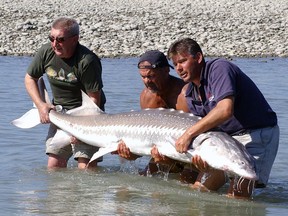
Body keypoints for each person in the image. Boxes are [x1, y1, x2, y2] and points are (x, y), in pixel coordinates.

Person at [151, 37, 279, 198]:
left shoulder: (219, 69)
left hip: (255, 134)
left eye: (183, 61)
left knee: (238, 198)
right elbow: (206, 127)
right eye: (175, 64)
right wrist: (201, 158)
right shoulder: (190, 92)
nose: (179, 68)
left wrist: (188, 134)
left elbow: (225, 110)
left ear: (198, 58)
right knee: (198, 191)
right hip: (226, 140)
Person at [24, 17, 106, 169]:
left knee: (86, 168)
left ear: (75, 39)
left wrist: (81, 131)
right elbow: (30, 78)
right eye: (52, 38)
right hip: (60, 114)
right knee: (53, 167)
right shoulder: (46, 52)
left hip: (88, 117)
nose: (55, 44)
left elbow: (94, 99)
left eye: (60, 39)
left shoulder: (87, 61)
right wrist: (41, 105)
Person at [114, 50, 198, 183]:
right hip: (164, 152)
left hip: (192, 153)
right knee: (141, 180)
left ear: (166, 71)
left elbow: (195, 136)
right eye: (143, 77)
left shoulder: (184, 94)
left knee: (185, 182)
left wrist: (170, 159)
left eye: (151, 76)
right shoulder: (147, 97)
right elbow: (147, 138)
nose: (147, 82)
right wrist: (131, 154)